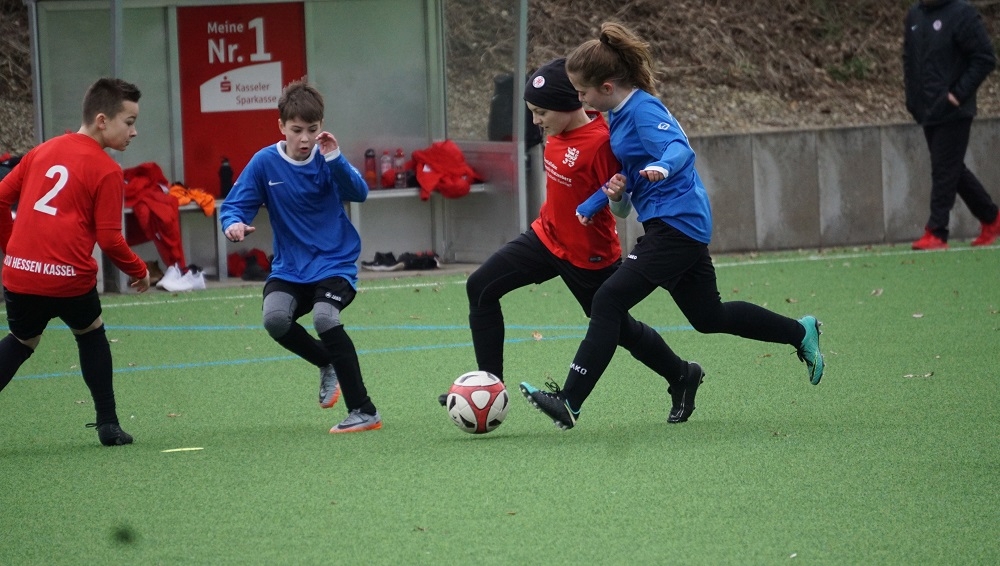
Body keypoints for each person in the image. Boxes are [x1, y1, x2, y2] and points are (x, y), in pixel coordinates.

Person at [519, 23, 825, 430]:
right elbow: (628, 178)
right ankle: (800, 332)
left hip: (677, 225)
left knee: (607, 300)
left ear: (606, 87)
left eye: (582, 92)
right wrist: (600, 200)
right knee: (708, 316)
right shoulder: (617, 116)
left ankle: (569, 400)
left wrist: (663, 166)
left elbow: (679, 149)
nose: (579, 99)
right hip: (673, 226)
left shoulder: (643, 110)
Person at [443, 58, 699, 423]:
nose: (536, 121)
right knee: (480, 287)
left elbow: (622, 203)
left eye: (541, 112)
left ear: (568, 105)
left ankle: (682, 374)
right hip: (545, 237)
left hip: (588, 255)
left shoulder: (601, 144)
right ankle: (488, 389)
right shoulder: (555, 131)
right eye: (532, 112)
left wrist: (612, 198)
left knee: (620, 329)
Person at [220, 79, 381, 434]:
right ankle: (327, 362)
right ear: (281, 126)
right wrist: (233, 224)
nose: (305, 138)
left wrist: (335, 158)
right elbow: (234, 207)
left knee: (325, 318)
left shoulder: (327, 158)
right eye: (296, 130)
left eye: (312, 129)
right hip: (290, 268)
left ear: (321, 125)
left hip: (335, 263)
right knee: (275, 320)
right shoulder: (264, 163)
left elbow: (359, 192)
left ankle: (364, 410)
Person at [0, 77, 151, 446]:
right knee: (91, 333)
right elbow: (110, 239)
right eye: (129, 122)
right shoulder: (107, 170)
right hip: (68, 279)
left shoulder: (41, 151)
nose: (134, 132)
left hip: (20, 275)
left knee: (21, 340)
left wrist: (11, 247)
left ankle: (108, 423)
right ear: (102, 120)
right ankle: (108, 424)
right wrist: (140, 270)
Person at [904, 0, 999, 250]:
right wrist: (912, 99)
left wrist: (958, 94)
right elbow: (909, 59)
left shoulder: (962, 14)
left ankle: (937, 231)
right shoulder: (914, 15)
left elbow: (985, 58)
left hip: (954, 110)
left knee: (944, 169)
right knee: (952, 169)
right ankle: (992, 218)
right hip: (927, 108)